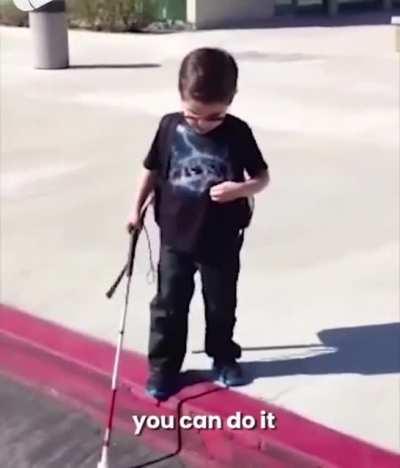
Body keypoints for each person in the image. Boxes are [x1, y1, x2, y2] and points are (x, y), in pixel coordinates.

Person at [127, 47, 270, 400]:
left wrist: (241, 189)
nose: (203, 124)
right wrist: (135, 209)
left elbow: (262, 178)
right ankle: (164, 367)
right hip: (175, 236)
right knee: (168, 304)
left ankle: (223, 357)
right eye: (194, 115)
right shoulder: (168, 126)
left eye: (215, 116)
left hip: (222, 237)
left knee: (221, 303)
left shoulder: (238, 132)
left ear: (231, 100)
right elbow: (152, 169)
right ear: (180, 97)